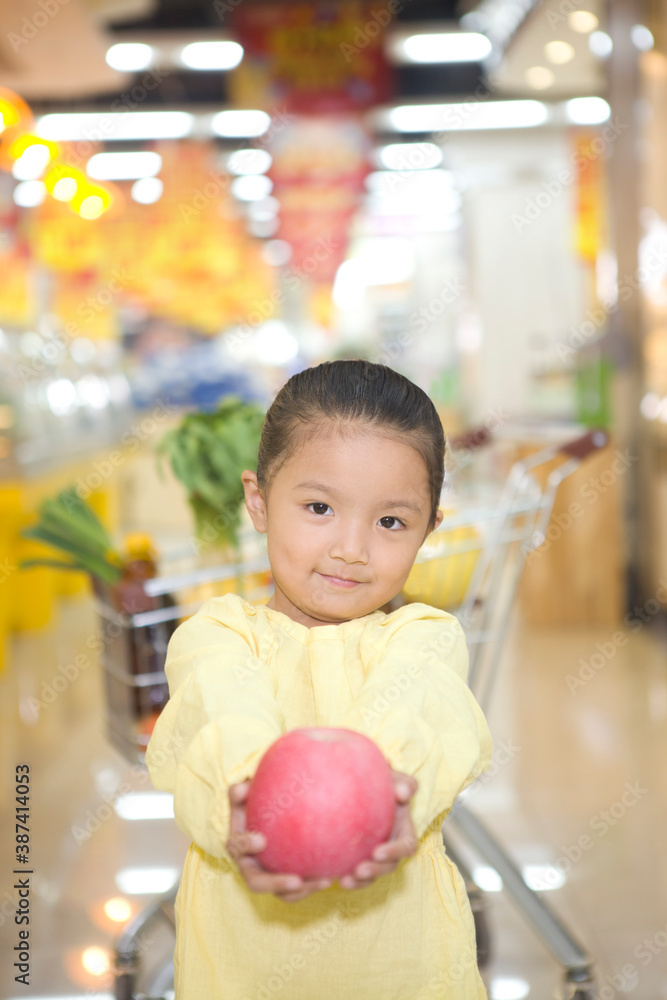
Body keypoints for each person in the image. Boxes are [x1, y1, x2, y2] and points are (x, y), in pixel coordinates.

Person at [146, 359, 492, 999]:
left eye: (391, 521)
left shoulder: (424, 636)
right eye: (319, 507)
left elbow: (415, 715)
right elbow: (223, 716)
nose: (352, 548)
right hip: (244, 975)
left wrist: (383, 804)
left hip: (405, 972)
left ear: (428, 530)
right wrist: (246, 809)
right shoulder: (216, 635)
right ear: (259, 501)